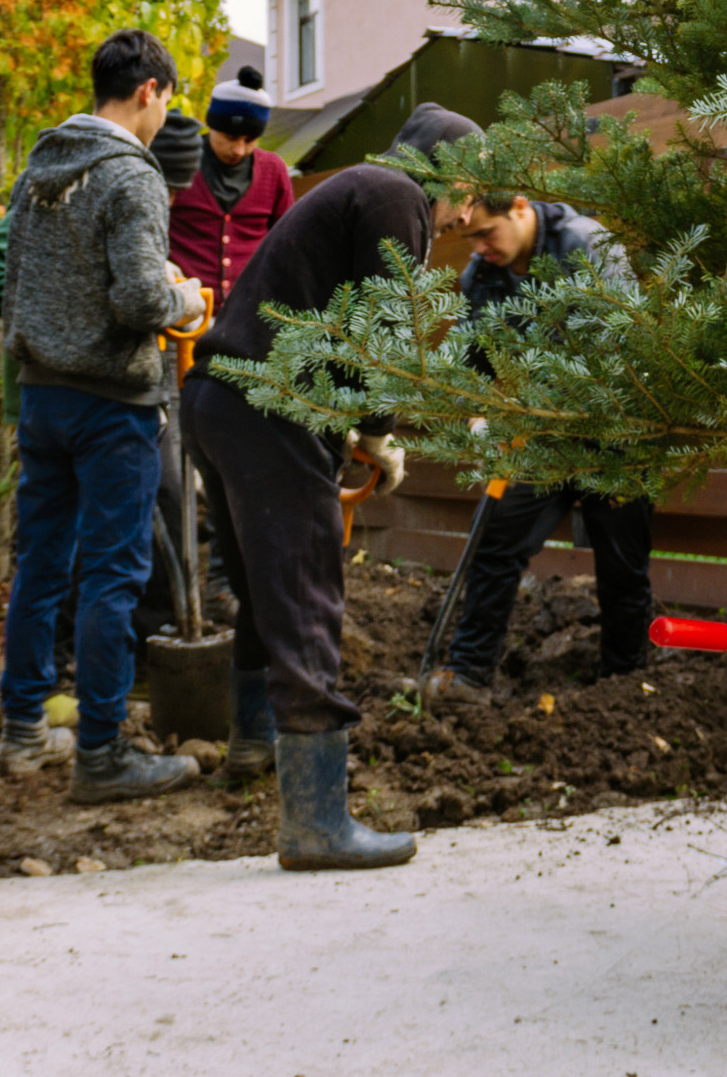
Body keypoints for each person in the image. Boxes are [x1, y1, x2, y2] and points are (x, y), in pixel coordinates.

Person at [181, 101, 480, 870]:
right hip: (264, 409)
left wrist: (348, 431)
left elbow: (330, 324)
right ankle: (315, 824)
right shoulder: (395, 196)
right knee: (308, 592)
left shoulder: (358, 189)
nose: (460, 218)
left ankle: (252, 747)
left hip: (224, 397)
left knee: (262, 586)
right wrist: (378, 431)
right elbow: (384, 329)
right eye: (467, 193)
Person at [0, 29, 208, 805]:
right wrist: (183, 297)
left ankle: (23, 732)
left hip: (43, 397)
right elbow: (140, 302)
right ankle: (101, 755)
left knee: (41, 565)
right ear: (149, 90)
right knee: (113, 578)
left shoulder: (40, 169)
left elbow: (15, 280)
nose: (165, 119)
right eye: (168, 102)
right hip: (111, 406)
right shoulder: (131, 175)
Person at [426, 191, 654, 704]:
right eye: (471, 239)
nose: (481, 247)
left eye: (487, 233)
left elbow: (622, 340)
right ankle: (468, 674)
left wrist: (543, 395)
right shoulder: (484, 274)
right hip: (539, 441)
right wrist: (476, 411)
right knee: (494, 541)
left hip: (614, 435)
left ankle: (622, 686)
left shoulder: (586, 244)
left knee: (622, 564)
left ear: (521, 209)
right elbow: (469, 354)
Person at [168, 64, 294, 304]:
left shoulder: (274, 170)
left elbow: (285, 240)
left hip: (248, 311)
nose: (239, 149)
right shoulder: (180, 161)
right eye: (231, 137)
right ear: (212, 126)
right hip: (185, 312)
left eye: (250, 140)